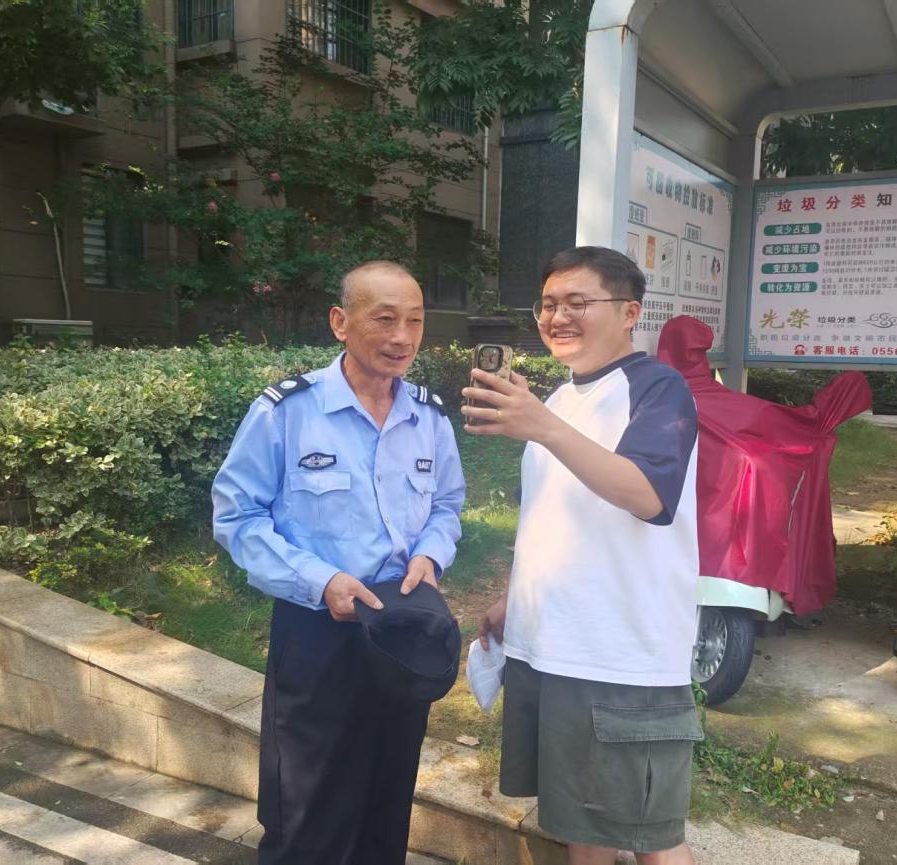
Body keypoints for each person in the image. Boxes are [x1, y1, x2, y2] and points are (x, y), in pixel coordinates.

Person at [211, 261, 465, 865]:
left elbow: (447, 505)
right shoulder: (286, 412)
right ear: (340, 322)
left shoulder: (428, 418)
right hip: (317, 629)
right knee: (306, 809)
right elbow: (237, 515)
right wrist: (320, 580)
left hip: (401, 627)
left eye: (414, 321)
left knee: (386, 798)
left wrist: (430, 555)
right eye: (385, 319)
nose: (402, 337)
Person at [464, 247, 702, 865]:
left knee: (651, 836)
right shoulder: (562, 398)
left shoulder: (657, 388)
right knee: (580, 822)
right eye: (548, 304)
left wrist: (542, 426)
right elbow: (551, 511)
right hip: (551, 643)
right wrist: (513, 596)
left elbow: (648, 496)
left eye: (577, 302)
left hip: (621, 654)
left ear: (629, 313)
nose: (557, 316)